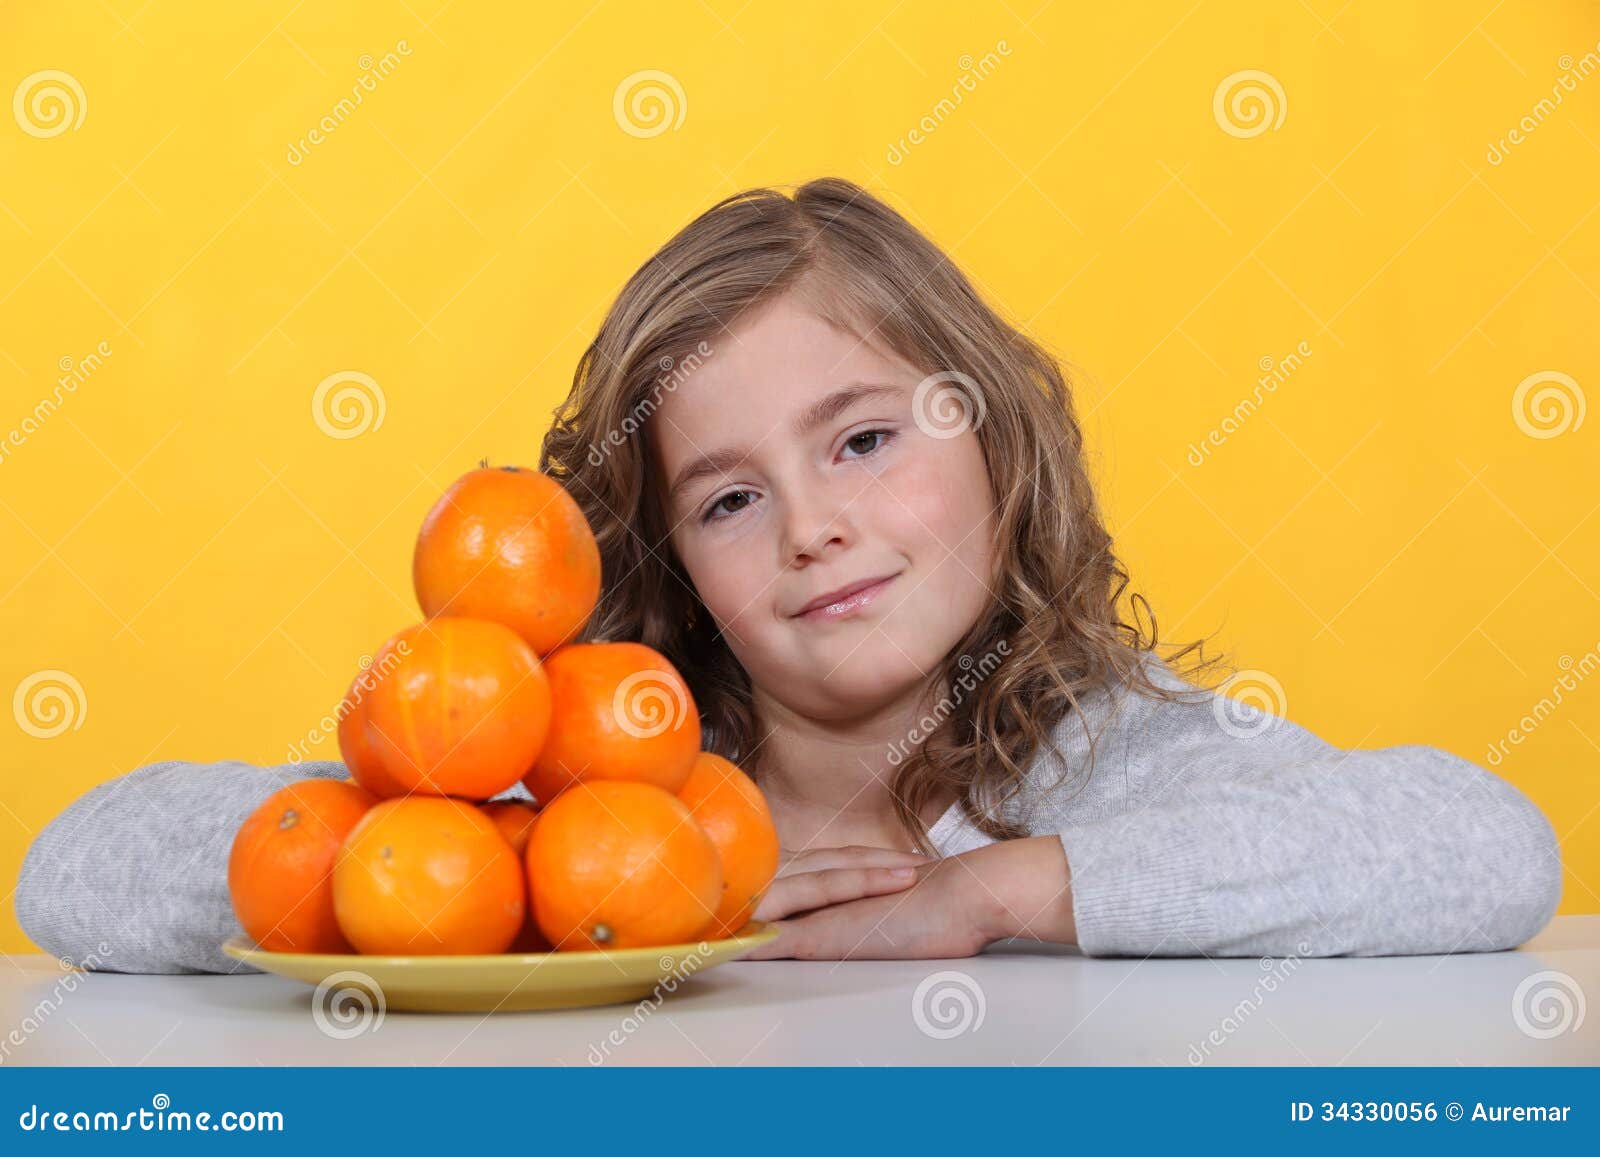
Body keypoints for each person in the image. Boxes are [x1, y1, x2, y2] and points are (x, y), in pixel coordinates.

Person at [15, 178, 1562, 973]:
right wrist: (511, 904)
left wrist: (984, 898)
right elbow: (71, 871)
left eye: (868, 438)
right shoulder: (575, 802)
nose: (813, 525)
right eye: (732, 494)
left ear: (999, 445)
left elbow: (1488, 849)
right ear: (673, 559)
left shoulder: (1114, 768)